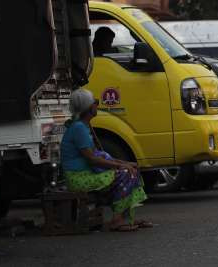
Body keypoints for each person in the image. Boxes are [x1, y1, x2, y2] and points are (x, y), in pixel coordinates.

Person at [60, 89, 150, 232]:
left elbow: (99, 155)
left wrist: (124, 164)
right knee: (125, 174)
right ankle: (117, 220)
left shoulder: (82, 126)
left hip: (86, 173)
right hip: (78, 178)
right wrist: (121, 166)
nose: (97, 105)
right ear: (88, 108)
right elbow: (92, 159)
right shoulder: (79, 128)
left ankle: (125, 218)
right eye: (95, 102)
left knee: (131, 170)